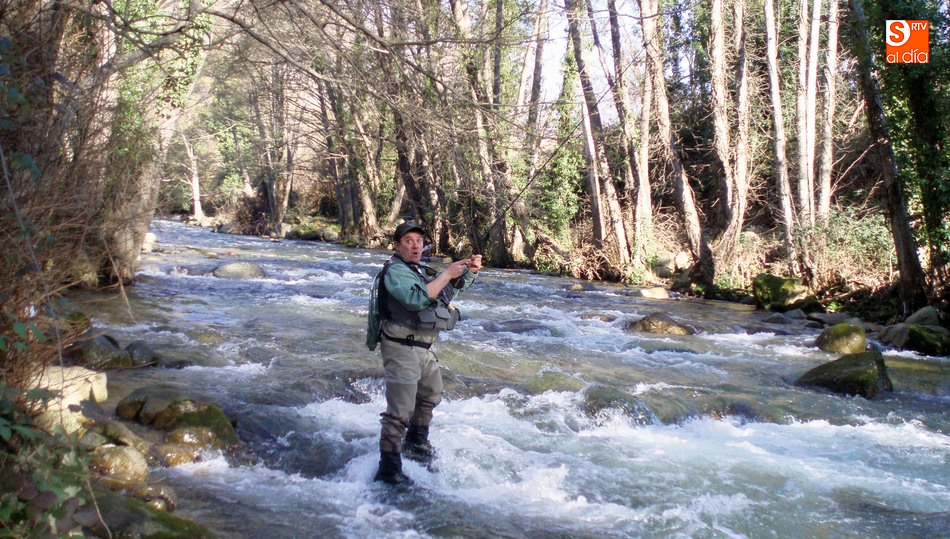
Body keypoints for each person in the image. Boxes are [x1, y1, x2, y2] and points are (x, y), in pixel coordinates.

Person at [366, 222, 481, 485]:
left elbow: (444, 294)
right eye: (408, 240)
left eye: (419, 240)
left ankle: (416, 444)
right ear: (397, 246)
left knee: (430, 396)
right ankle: (389, 468)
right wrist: (447, 272)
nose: (415, 245)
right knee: (400, 411)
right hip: (400, 347)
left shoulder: (418, 270)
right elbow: (417, 299)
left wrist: (469, 272)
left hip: (423, 348)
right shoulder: (395, 272)